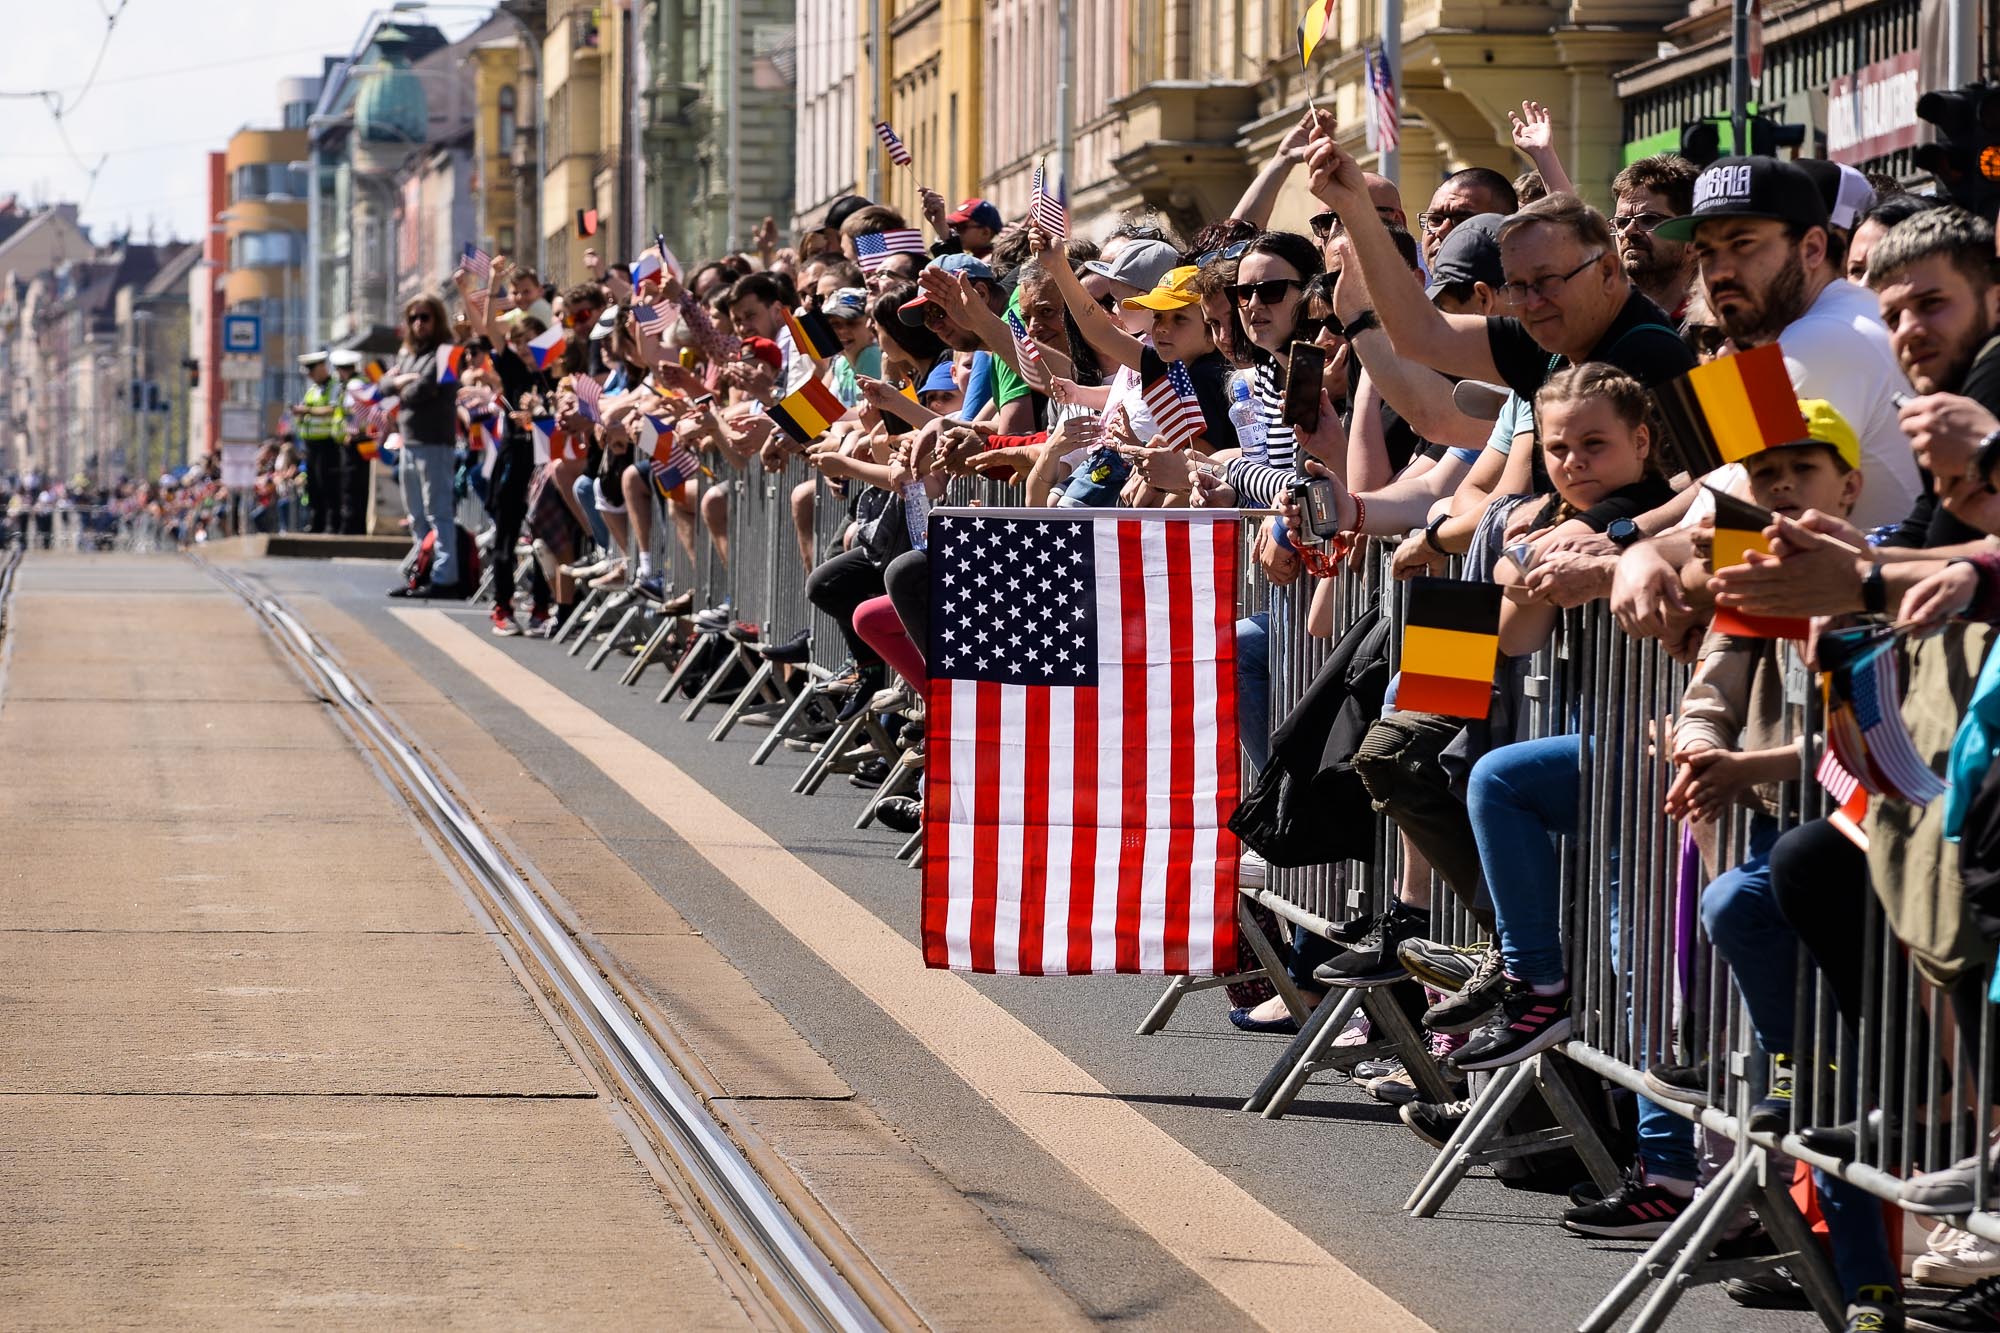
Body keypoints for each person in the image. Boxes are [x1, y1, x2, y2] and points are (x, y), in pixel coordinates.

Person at [383, 293, 463, 598]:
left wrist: (401, 384)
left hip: (435, 441)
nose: (419, 323)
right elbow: (384, 385)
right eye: (413, 318)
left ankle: (446, 576)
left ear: (437, 319)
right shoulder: (409, 354)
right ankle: (422, 570)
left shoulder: (448, 352)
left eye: (425, 317)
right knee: (416, 514)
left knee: (438, 511)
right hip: (410, 440)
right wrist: (401, 381)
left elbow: (425, 389)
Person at [1609, 154, 1700, 322]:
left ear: (1692, 239)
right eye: (1622, 222)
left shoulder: (1716, 324)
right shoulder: (1606, 322)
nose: (1628, 231)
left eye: (1649, 219)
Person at [292, 351, 345, 534]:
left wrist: (307, 411)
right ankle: (317, 523)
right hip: (311, 446)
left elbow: (332, 409)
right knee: (313, 486)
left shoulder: (335, 386)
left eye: (311, 370)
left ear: (322, 367)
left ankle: (332, 524)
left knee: (328, 484)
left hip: (328, 444)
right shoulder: (313, 389)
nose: (310, 375)